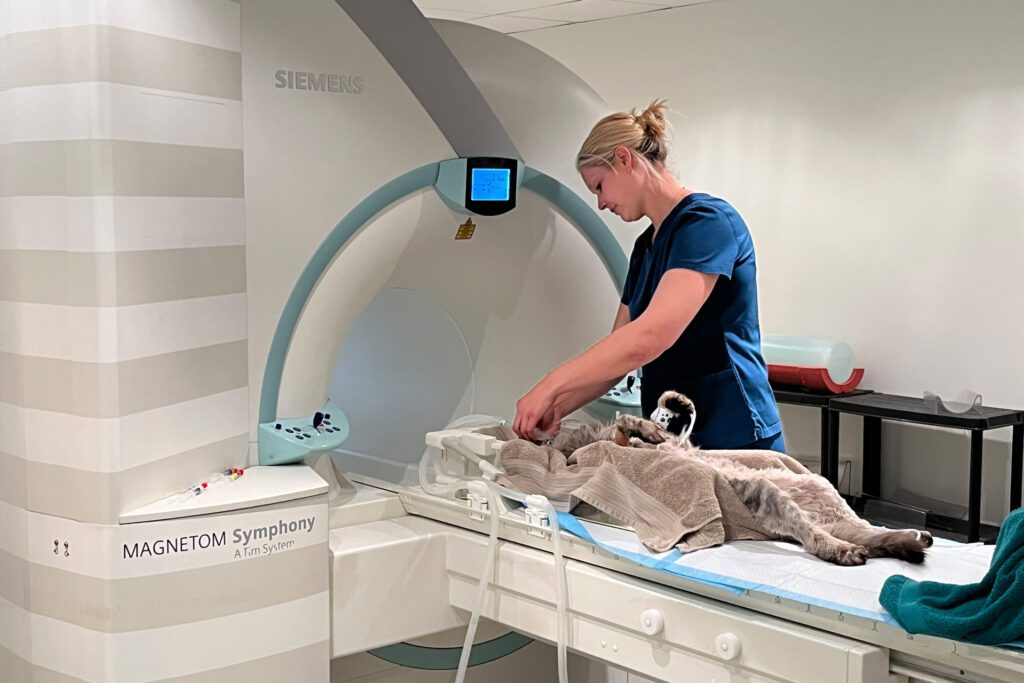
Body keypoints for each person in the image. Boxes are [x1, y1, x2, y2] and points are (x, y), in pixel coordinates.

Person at [513, 100, 783, 452]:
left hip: (734, 434)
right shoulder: (645, 247)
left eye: (599, 186)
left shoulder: (707, 223)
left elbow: (651, 335)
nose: (601, 203)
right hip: (672, 437)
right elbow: (621, 347)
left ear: (625, 160)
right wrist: (557, 406)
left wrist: (550, 385)